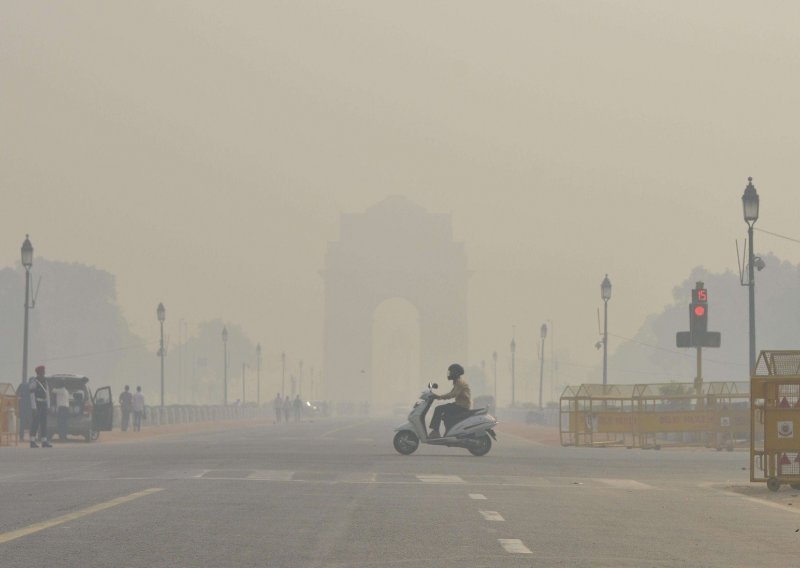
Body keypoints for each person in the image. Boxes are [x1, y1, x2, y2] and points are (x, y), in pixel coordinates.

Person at [429, 363, 472, 438]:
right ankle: (450, 432)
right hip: (460, 404)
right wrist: (440, 397)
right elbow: (452, 393)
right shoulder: (457, 382)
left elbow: (453, 394)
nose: (450, 374)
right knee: (446, 416)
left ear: (456, 373)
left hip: (461, 406)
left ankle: (435, 432)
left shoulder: (459, 382)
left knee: (438, 409)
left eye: (451, 372)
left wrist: (439, 397)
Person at [29, 366, 52, 448]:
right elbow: (32, 395)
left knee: (44, 423)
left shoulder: (45, 382)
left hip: (44, 404)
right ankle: (32, 441)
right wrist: (34, 407)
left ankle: (44, 441)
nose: (43, 374)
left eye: (44, 372)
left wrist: (48, 406)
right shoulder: (34, 382)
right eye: (42, 372)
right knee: (35, 423)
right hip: (37, 403)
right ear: (38, 373)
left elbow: (48, 394)